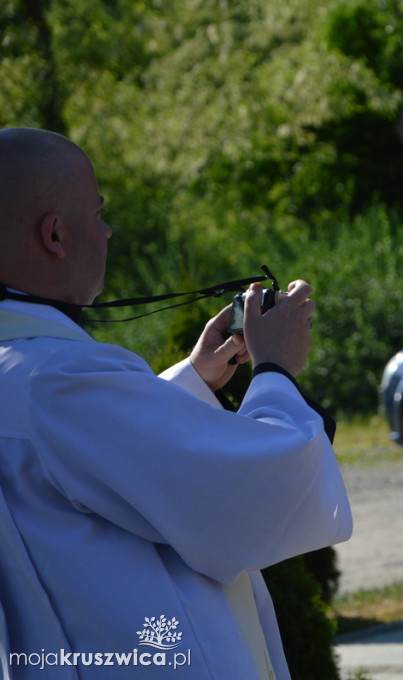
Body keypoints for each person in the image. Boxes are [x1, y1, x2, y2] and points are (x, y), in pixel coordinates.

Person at [0, 127, 352, 679]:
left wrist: (195, 380)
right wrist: (276, 370)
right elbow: (247, 497)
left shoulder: (21, 369)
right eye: (97, 212)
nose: (109, 230)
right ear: (56, 235)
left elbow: (90, 458)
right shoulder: (57, 376)